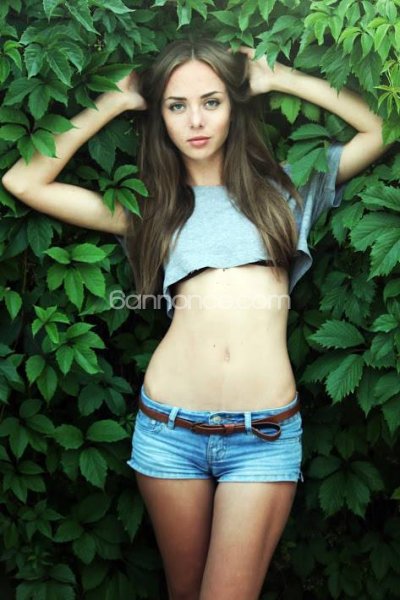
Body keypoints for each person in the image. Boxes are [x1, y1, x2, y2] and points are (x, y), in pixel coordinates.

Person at [2, 38, 390, 600]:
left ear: (234, 104)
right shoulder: (149, 206)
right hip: (169, 431)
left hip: (263, 435)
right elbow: (23, 181)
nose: (196, 121)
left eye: (211, 101)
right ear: (159, 116)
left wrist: (280, 79)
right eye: (176, 106)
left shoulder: (288, 187)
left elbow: (381, 128)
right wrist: (113, 101)